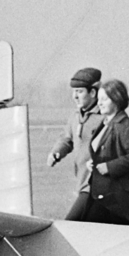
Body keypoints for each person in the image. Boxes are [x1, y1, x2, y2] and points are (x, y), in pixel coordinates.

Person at [84, 78, 129, 224]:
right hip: (102, 195)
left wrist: (109, 167)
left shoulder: (125, 126)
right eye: (99, 99)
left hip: (118, 200)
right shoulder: (104, 124)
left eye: (104, 99)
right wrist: (93, 162)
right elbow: (103, 151)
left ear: (116, 100)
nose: (99, 103)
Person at [47, 67, 105, 220]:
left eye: (79, 91)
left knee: (71, 224)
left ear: (93, 93)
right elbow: (67, 138)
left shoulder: (105, 118)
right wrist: (56, 152)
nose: (75, 96)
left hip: (97, 185)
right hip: (82, 183)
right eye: (74, 92)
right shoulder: (75, 117)